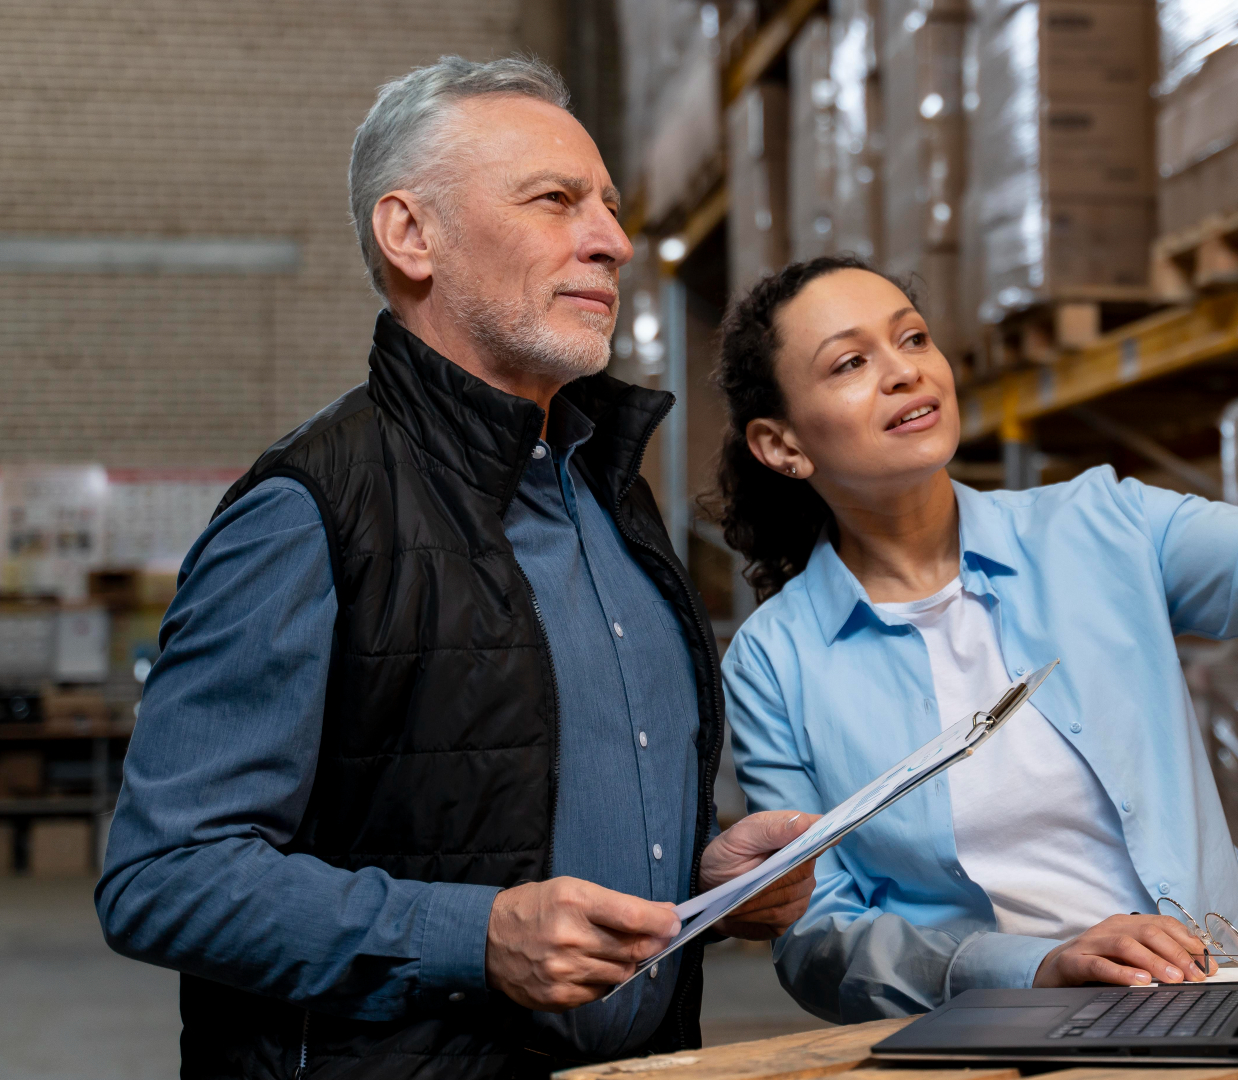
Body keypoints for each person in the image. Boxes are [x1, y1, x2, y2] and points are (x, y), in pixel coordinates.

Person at [94, 57, 819, 1077]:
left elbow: (515, 806)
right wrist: (474, 937)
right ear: (411, 234)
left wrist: (701, 876)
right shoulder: (312, 510)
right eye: (556, 201)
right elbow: (164, 877)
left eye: (608, 207)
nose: (612, 241)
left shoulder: (607, 491)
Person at [712, 242, 1238, 1022]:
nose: (903, 371)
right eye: (851, 363)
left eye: (913, 337)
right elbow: (814, 936)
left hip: (1212, 1007)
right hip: (982, 1042)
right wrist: (1036, 964)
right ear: (781, 445)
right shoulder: (774, 662)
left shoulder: (1103, 525)